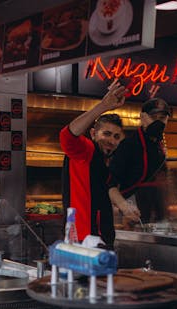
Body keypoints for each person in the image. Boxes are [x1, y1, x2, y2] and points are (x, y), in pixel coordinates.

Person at [60, 81, 127, 249]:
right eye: (107, 134)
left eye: (117, 137)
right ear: (93, 133)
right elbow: (67, 136)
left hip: (101, 239)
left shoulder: (106, 161)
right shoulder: (86, 150)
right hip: (85, 241)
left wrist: (125, 208)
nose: (112, 140)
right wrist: (103, 106)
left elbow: (109, 188)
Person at [108, 97, 172, 223]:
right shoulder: (128, 145)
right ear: (142, 117)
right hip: (131, 215)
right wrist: (125, 207)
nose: (158, 123)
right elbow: (110, 184)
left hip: (157, 214)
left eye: (162, 118)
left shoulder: (159, 146)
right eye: (154, 118)